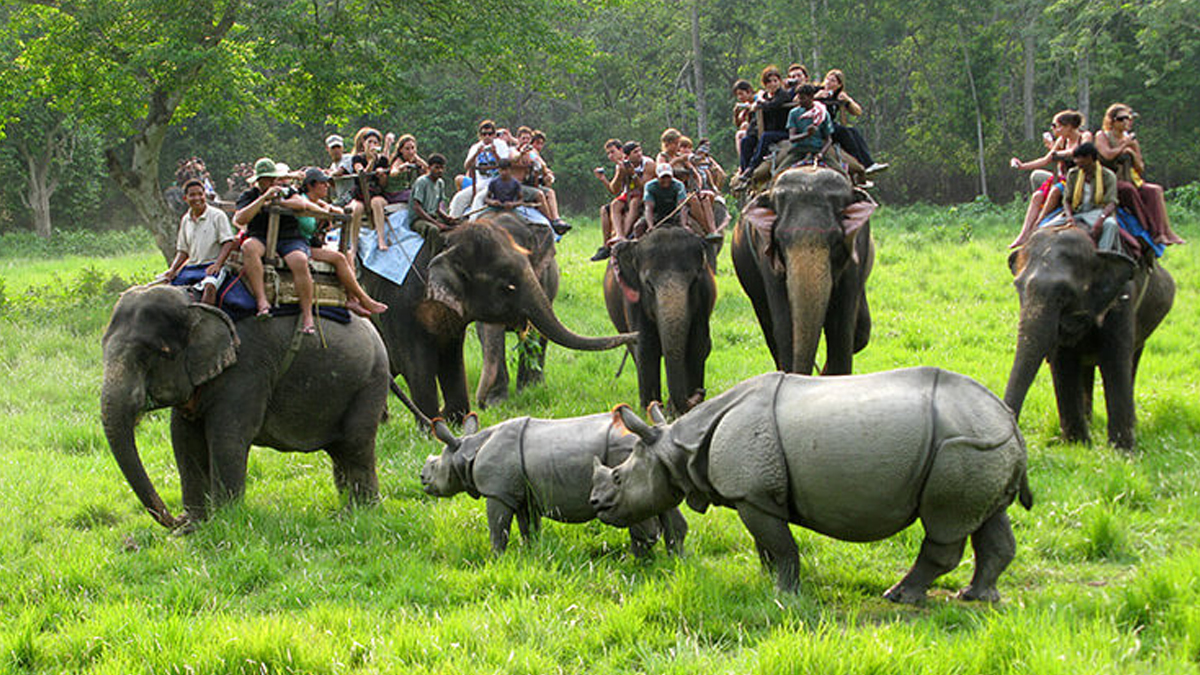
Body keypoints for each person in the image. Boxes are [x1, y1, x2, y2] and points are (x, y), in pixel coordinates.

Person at [234, 157, 318, 334]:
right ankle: (262, 301)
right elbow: (240, 218)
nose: (271, 182)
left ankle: (308, 315)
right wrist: (263, 199)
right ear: (259, 180)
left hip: (289, 238)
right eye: (266, 179)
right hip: (261, 237)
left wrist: (279, 202)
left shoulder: (286, 191)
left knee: (300, 261)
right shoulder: (249, 196)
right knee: (248, 247)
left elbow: (301, 203)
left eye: (273, 178)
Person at [295, 168, 387, 316]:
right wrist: (324, 214)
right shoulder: (301, 201)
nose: (326, 186)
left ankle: (353, 298)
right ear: (311, 185)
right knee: (339, 258)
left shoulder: (316, 201)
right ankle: (364, 299)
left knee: (348, 254)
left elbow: (339, 212)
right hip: (299, 245)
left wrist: (327, 209)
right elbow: (309, 225)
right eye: (322, 183)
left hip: (310, 244)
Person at [1095, 103, 1184, 246]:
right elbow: (1107, 155)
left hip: (1130, 179)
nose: (1126, 122)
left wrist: (1132, 153)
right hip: (1110, 181)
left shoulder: (1131, 140)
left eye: (1128, 118)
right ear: (1112, 120)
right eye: (1121, 118)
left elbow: (1140, 167)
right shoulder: (1102, 136)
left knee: (1154, 190)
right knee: (1127, 190)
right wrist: (1124, 145)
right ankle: (1150, 229)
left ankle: (1164, 232)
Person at [1008, 110, 1090, 249]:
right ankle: (1023, 234)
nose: (1054, 130)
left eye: (1057, 126)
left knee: (1055, 191)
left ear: (1069, 126)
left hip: (1080, 180)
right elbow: (1046, 160)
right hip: (1062, 179)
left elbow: (1080, 151)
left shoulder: (1085, 136)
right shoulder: (1062, 141)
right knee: (1037, 196)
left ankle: (1037, 225)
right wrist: (1023, 166)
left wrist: (1057, 154)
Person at [162, 178, 237, 305]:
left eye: (200, 194)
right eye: (192, 195)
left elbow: (228, 242)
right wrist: (172, 269)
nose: (197, 198)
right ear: (185, 198)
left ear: (205, 195)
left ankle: (206, 321)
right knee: (169, 291)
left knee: (210, 286)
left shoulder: (217, 215)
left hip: (212, 265)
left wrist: (218, 264)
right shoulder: (186, 219)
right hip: (191, 268)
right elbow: (183, 251)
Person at [1039, 143, 1121, 252]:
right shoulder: (1073, 174)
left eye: (1080, 158)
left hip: (1097, 212)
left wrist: (1101, 220)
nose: (1077, 162)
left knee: (1111, 225)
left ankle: (1103, 254)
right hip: (1077, 212)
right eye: (1076, 158)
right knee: (1044, 228)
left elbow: (1111, 202)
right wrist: (1069, 217)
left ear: (1090, 158)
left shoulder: (1108, 176)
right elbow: (1067, 200)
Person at [816, 69, 887, 176]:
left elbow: (858, 111)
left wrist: (848, 100)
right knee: (844, 132)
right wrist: (816, 97)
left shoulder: (839, 96)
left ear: (839, 85)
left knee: (853, 131)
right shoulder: (817, 90)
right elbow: (799, 100)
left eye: (833, 81)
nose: (828, 83)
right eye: (827, 79)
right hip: (819, 125)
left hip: (831, 125)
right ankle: (859, 161)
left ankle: (869, 162)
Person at [737, 65, 793, 179]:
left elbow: (773, 105)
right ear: (765, 84)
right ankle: (744, 171)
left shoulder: (782, 94)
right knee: (746, 141)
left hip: (783, 131)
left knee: (766, 137)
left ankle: (752, 167)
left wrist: (760, 102)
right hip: (769, 129)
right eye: (769, 82)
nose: (772, 84)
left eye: (775, 81)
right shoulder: (766, 96)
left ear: (780, 82)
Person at [349, 127, 391, 251]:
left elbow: (383, 184)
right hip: (360, 194)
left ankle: (381, 239)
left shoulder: (382, 160)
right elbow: (362, 175)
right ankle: (354, 244)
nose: (372, 145)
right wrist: (371, 162)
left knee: (376, 203)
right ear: (364, 144)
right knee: (356, 209)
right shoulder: (357, 159)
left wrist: (382, 175)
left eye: (375, 143)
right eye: (370, 142)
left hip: (376, 194)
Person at [409, 153, 458, 251]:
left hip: (433, 217)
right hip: (419, 219)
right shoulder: (422, 182)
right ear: (429, 167)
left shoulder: (440, 183)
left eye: (442, 168)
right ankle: (434, 258)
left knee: (458, 225)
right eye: (436, 168)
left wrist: (447, 218)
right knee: (434, 230)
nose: (440, 171)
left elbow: (437, 208)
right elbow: (417, 207)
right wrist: (436, 223)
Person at [591, 139, 626, 261]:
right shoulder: (618, 166)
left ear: (620, 150)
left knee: (613, 206)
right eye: (608, 153)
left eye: (612, 152)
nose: (610, 156)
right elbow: (614, 190)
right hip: (625, 196)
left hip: (636, 196)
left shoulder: (628, 162)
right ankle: (606, 244)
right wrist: (603, 179)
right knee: (604, 210)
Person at [614, 141, 656, 240]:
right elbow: (615, 189)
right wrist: (620, 173)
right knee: (615, 205)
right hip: (628, 193)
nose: (639, 154)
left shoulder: (648, 163)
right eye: (635, 152)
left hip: (644, 194)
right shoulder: (622, 165)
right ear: (628, 156)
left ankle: (624, 234)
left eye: (640, 151)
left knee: (634, 203)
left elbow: (645, 187)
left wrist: (633, 174)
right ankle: (618, 234)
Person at [787, 84, 834, 160]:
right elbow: (792, 138)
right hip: (798, 151)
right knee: (780, 171)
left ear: (811, 97)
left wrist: (821, 154)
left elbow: (829, 140)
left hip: (817, 149)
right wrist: (807, 134)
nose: (799, 101)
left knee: (840, 171)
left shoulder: (823, 113)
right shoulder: (794, 113)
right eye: (799, 98)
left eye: (802, 98)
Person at [643, 162, 689, 231]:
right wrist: (650, 225)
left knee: (690, 227)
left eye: (668, 177)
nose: (666, 180)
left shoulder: (679, 185)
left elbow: (682, 206)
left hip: (674, 213)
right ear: (657, 177)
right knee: (638, 227)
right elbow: (648, 207)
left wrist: (684, 224)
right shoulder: (650, 186)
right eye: (663, 177)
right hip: (656, 214)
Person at [386, 134, 427, 204]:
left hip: (408, 192)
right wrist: (400, 168)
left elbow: (428, 170)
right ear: (401, 150)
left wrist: (419, 160)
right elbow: (393, 171)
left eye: (413, 148)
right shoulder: (399, 160)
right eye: (407, 149)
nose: (411, 151)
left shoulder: (415, 159)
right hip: (395, 193)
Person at [732, 79, 755, 156]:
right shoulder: (745, 106)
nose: (739, 97)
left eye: (741, 94)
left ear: (748, 91)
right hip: (749, 133)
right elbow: (738, 124)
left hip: (756, 131)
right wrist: (736, 113)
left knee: (740, 134)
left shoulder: (757, 99)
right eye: (737, 95)